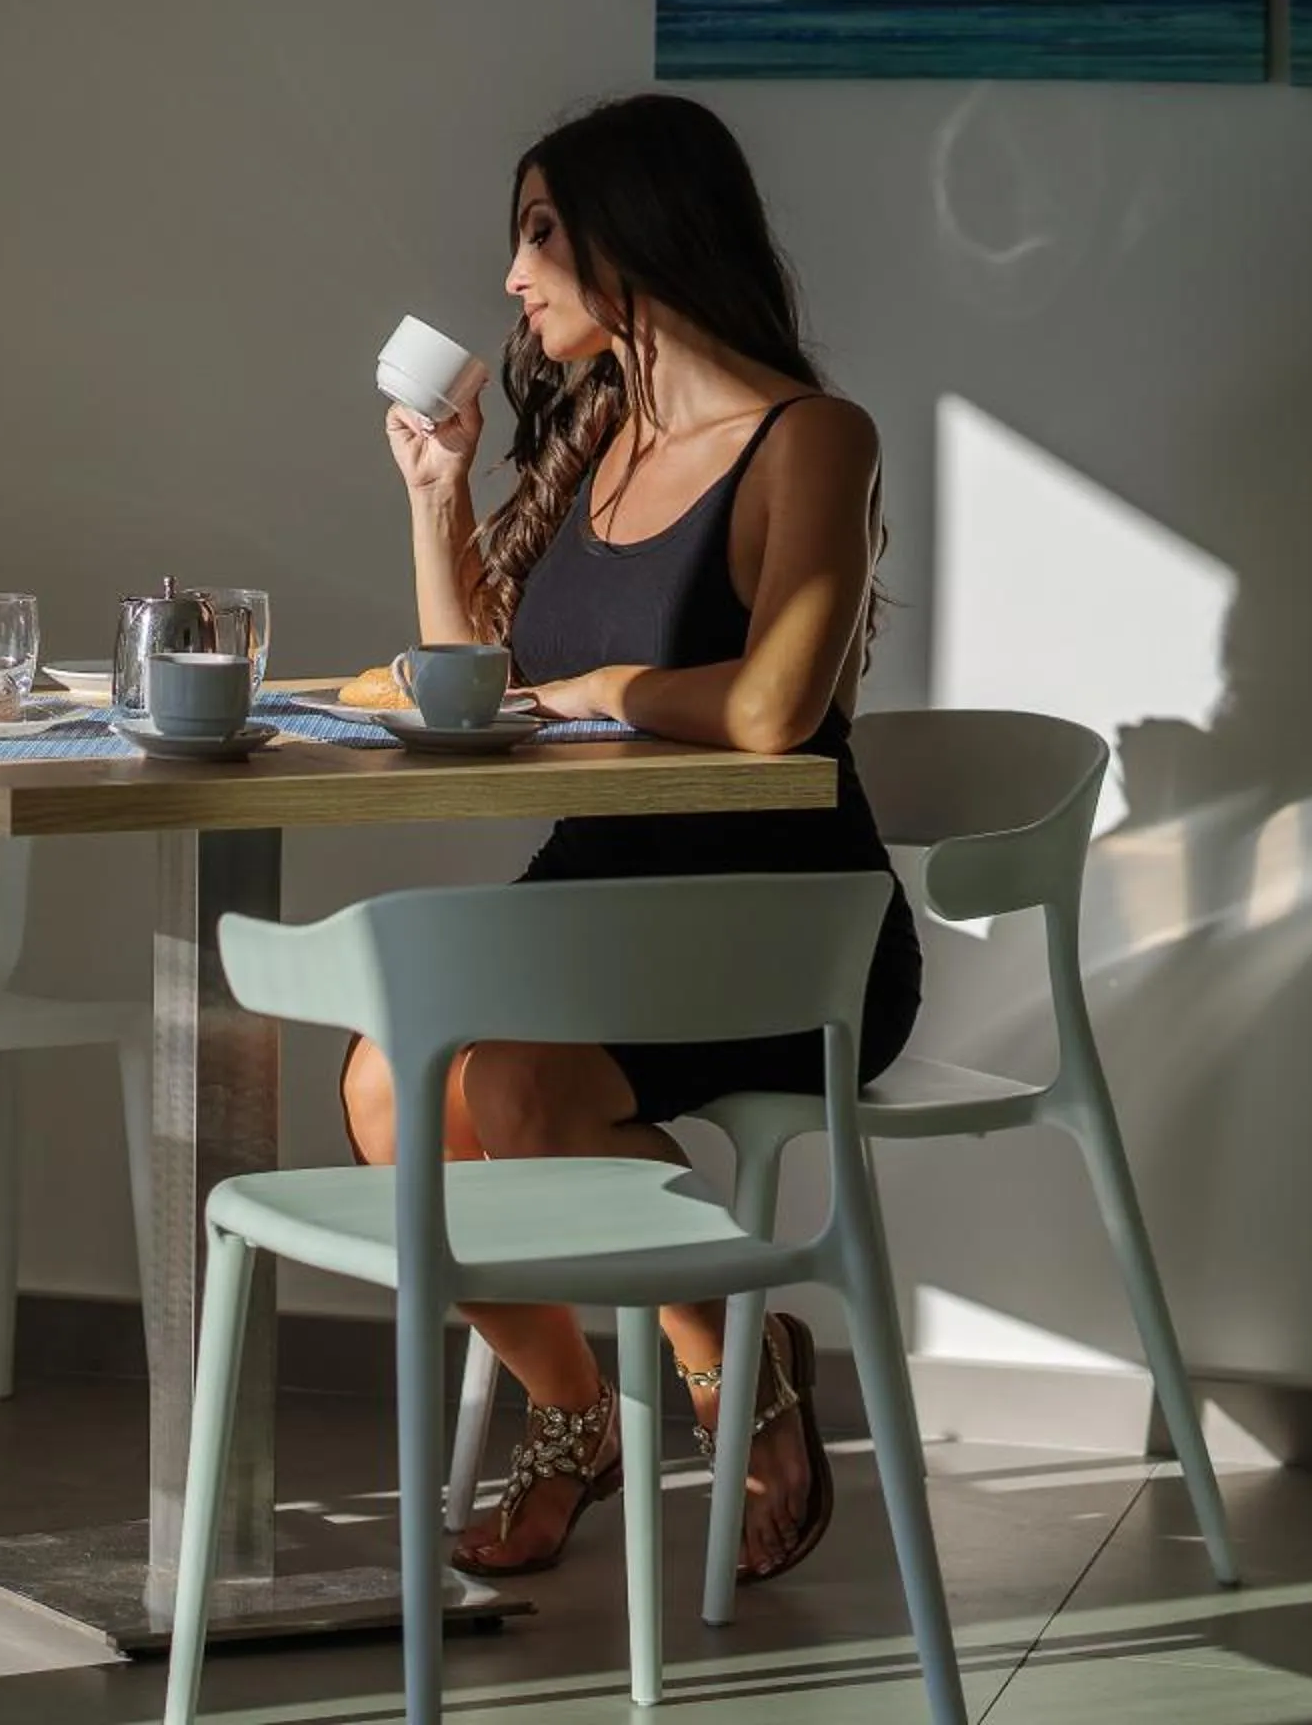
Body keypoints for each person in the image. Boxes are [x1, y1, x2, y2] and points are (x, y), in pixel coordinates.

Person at [345, 92, 922, 1584]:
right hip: (597, 897)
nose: (518, 279)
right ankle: (577, 1414)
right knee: (386, 1082)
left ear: (637, 241)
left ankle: (739, 1373)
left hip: (782, 925)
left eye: (541, 236)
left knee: (522, 1083)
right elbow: (472, 677)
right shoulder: (594, 435)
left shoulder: (813, 440)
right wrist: (440, 493)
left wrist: (606, 688)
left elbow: (780, 706)